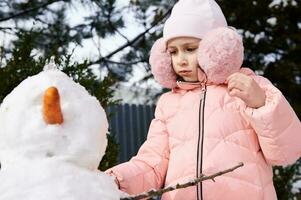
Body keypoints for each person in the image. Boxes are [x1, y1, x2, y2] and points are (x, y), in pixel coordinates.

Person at [106, 0, 301, 199]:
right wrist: (115, 181)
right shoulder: (169, 104)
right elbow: (152, 163)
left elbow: (287, 152)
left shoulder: (249, 87)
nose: (180, 59)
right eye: (173, 51)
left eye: (190, 49)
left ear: (215, 46)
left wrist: (261, 104)